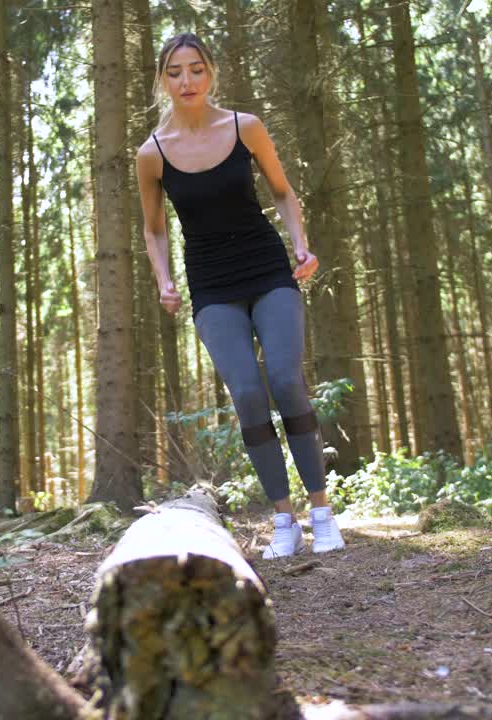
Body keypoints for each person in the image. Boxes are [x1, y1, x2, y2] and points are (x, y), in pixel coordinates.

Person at [135, 32, 345, 557]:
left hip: (267, 269)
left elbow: (282, 190)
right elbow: (154, 228)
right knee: (248, 395)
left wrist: (301, 245)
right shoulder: (152, 154)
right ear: (163, 80)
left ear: (211, 74)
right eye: (176, 72)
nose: (187, 81)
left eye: (197, 69)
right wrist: (163, 277)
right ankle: (284, 523)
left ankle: (321, 513)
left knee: (284, 379)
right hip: (211, 283)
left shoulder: (245, 127)